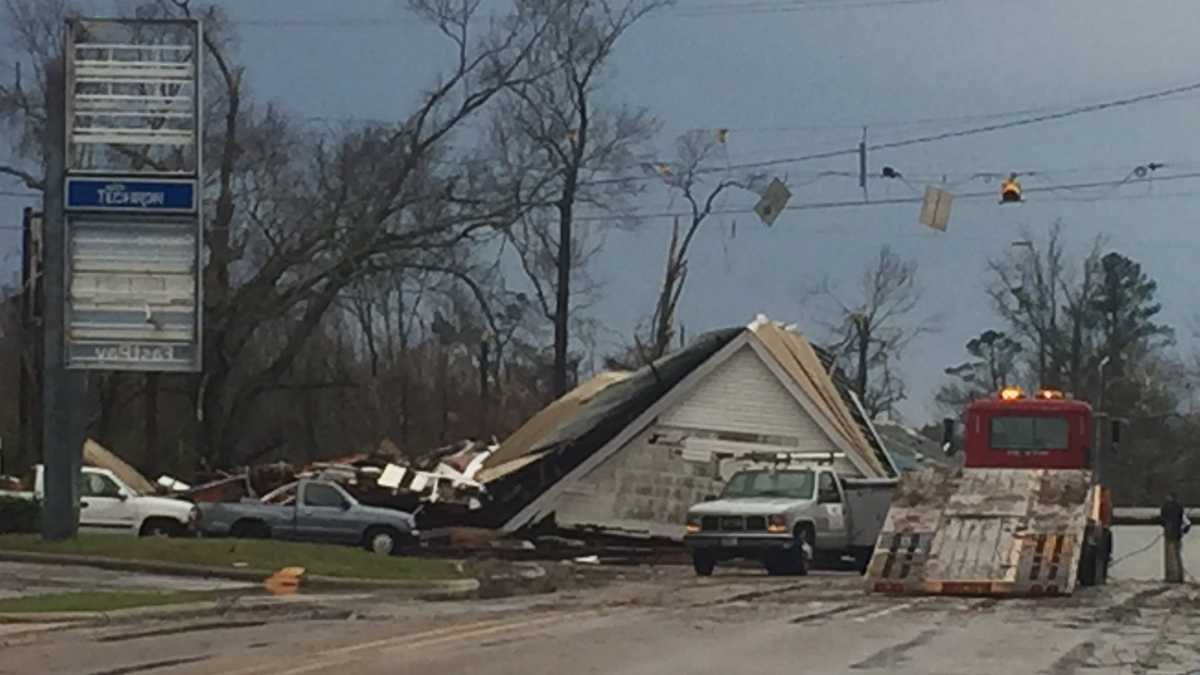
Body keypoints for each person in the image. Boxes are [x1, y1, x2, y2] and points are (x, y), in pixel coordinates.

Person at [1160, 493, 1185, 583]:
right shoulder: (1179, 507)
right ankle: (1178, 576)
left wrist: (1166, 525)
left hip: (1171, 535)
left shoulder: (1167, 507)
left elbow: (1162, 520)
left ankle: (1172, 577)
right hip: (1176, 535)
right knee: (1176, 556)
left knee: (1171, 557)